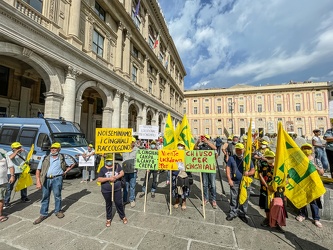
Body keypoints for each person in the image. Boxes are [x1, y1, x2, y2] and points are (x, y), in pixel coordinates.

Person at [33, 142, 75, 225]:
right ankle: (43, 214)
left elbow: (73, 163)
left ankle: (58, 211)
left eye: (55, 148)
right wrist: (38, 181)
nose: (53, 149)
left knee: (57, 196)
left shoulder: (62, 157)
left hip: (57, 178)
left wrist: (65, 171)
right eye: (52, 148)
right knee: (45, 196)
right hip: (46, 179)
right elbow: (38, 170)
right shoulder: (45, 157)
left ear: (59, 149)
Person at [295, 143, 324, 228]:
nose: (306, 150)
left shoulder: (316, 160)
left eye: (308, 148)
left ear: (312, 150)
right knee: (302, 199)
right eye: (304, 148)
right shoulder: (299, 160)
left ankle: (316, 218)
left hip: (313, 184)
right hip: (303, 183)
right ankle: (302, 215)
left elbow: (322, 173)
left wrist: (316, 167)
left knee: (314, 202)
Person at [226, 143, 255, 223]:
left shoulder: (247, 159)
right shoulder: (232, 158)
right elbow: (228, 168)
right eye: (237, 149)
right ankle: (233, 212)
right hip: (235, 181)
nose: (238, 151)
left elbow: (253, 170)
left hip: (245, 183)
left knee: (245, 198)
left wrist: (248, 173)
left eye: (240, 149)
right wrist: (229, 179)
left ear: (243, 150)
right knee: (234, 198)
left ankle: (242, 213)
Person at [97, 154, 127, 227]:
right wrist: (108, 179)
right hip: (106, 190)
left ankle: (122, 216)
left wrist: (116, 177)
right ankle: (108, 218)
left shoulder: (117, 166)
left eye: (110, 161)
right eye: (108, 161)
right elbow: (99, 179)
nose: (109, 162)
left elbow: (122, 173)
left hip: (117, 188)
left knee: (119, 203)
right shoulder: (103, 169)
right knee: (108, 204)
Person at [4, 142, 31, 209]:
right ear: (13, 148)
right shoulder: (9, 153)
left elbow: (28, 158)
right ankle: (6, 202)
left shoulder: (24, 152)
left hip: (22, 171)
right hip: (12, 172)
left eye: (20, 147)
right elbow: (9, 158)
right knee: (9, 187)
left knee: (23, 185)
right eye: (17, 148)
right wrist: (16, 152)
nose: (19, 148)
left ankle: (24, 197)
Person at [194, 134, 218, 208]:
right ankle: (205, 198)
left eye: (206, 138)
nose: (204, 139)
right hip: (204, 168)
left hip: (211, 168)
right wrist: (198, 142)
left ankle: (213, 199)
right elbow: (195, 149)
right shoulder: (201, 147)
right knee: (205, 184)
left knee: (213, 184)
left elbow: (215, 148)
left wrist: (207, 142)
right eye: (203, 138)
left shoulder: (211, 145)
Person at [258, 150, 276, 227]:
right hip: (265, 188)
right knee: (266, 205)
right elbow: (260, 175)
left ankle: (275, 220)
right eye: (268, 157)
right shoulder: (263, 164)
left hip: (275, 189)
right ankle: (267, 218)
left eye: (271, 157)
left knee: (275, 205)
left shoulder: (278, 165)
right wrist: (267, 186)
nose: (270, 159)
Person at [172, 141, 191, 210]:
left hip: (185, 173)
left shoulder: (187, 154)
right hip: (176, 172)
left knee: (184, 188)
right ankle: (177, 200)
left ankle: (184, 202)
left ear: (184, 147)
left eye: (181, 145)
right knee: (175, 187)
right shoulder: (174, 153)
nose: (180, 147)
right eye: (179, 145)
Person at [122, 137, 138, 208]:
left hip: (133, 171)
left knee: (132, 186)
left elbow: (139, 160)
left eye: (132, 142)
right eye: (130, 141)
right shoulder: (124, 149)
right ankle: (125, 200)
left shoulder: (137, 150)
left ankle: (132, 200)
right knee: (125, 186)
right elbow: (123, 159)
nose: (131, 143)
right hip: (125, 171)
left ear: (134, 143)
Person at [0, 151, 15, 222]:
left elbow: (11, 166)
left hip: (2, 182)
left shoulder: (3, 154)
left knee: (1, 199)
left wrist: (12, 176)